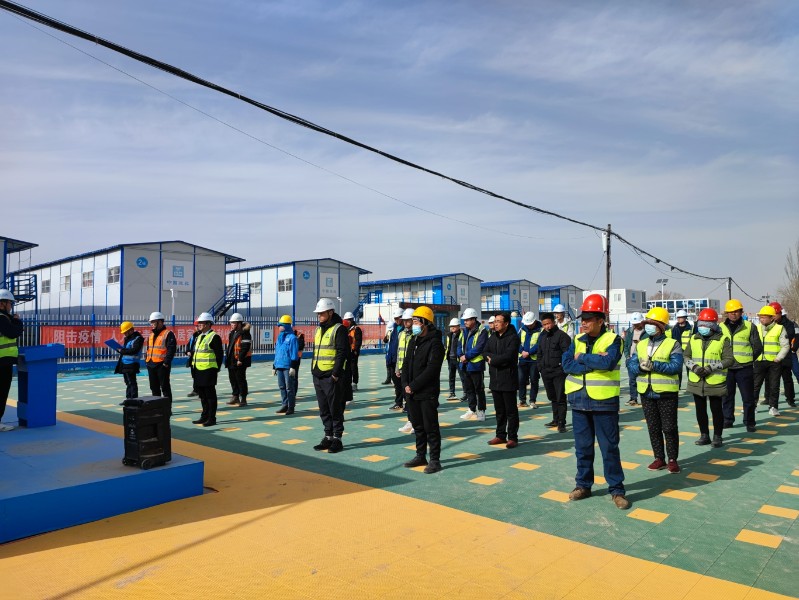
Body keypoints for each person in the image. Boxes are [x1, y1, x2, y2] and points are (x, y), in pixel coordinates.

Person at [562, 294, 630, 510]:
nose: (584, 322)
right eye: (583, 318)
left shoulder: (614, 340)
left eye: (589, 319)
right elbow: (567, 364)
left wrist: (582, 358)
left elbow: (608, 362)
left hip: (604, 403)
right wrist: (594, 361)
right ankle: (583, 485)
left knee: (609, 448)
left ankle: (617, 490)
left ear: (601, 320)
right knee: (582, 448)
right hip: (579, 401)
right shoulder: (576, 340)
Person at [626, 307, 684, 472]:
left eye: (653, 323)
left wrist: (654, 365)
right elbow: (631, 364)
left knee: (669, 428)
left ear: (662, 326)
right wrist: (640, 367)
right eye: (647, 323)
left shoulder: (672, 344)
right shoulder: (642, 344)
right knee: (653, 427)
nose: (649, 326)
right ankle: (659, 458)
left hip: (666, 392)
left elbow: (676, 366)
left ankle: (672, 459)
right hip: (646, 391)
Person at [401, 306, 445, 474]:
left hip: (427, 392)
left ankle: (435, 460)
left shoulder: (435, 343)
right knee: (418, 426)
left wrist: (413, 386)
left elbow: (432, 369)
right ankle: (420, 455)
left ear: (425, 323)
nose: (413, 325)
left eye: (416, 321)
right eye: (413, 321)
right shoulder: (414, 341)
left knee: (430, 427)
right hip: (411, 392)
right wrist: (405, 384)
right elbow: (406, 364)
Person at [684, 308, 735, 447]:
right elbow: (686, 355)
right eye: (700, 324)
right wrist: (694, 367)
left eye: (705, 324)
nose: (702, 327)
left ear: (713, 325)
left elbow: (729, 360)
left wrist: (711, 368)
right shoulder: (694, 338)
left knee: (716, 410)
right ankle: (704, 435)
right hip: (696, 380)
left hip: (714, 381)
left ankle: (717, 436)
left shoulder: (722, 339)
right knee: (700, 410)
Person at [311, 298, 350, 453]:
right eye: (318, 313)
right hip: (318, 375)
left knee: (335, 409)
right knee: (324, 409)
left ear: (330, 312)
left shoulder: (339, 329)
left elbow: (342, 352)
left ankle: (337, 438)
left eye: (322, 313)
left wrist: (335, 374)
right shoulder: (318, 329)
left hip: (331, 377)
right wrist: (313, 370)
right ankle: (328, 436)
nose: (319, 316)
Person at [719, 299, 762, 431]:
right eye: (731, 312)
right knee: (727, 396)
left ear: (741, 312)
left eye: (736, 311)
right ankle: (727, 420)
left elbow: (757, 347)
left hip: (744, 368)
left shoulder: (749, 326)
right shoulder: (720, 328)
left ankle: (749, 422)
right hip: (727, 368)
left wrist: (748, 359)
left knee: (748, 397)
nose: (734, 314)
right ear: (727, 313)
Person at [485, 312, 521, 448]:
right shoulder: (492, 337)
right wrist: (491, 358)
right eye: (495, 321)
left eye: (498, 321)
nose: (495, 324)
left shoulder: (513, 338)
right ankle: (500, 435)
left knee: (510, 411)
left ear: (506, 323)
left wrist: (493, 360)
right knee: (499, 410)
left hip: (508, 378)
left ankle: (513, 437)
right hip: (495, 379)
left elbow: (509, 356)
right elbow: (485, 352)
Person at [537, 312, 571, 433]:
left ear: (553, 322)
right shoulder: (542, 336)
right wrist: (540, 367)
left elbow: (567, 354)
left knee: (560, 397)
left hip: (558, 372)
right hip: (546, 372)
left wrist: (562, 368)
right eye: (544, 324)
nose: (547, 326)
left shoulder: (562, 336)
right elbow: (539, 353)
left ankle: (562, 422)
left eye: (549, 323)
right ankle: (555, 419)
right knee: (552, 397)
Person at [753, 304, 789, 417]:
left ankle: (773, 407)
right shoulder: (756, 328)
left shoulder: (780, 328)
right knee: (755, 385)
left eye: (764, 317)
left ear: (772, 318)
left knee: (774, 385)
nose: (761, 319)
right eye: (760, 317)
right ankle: (752, 406)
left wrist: (779, 358)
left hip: (774, 362)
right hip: (759, 361)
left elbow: (785, 345)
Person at [191, 312, 223, 426]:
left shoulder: (214, 337)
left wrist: (215, 368)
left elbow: (219, 355)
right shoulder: (199, 336)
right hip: (198, 370)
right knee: (202, 396)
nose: (199, 325)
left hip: (209, 370)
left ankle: (211, 418)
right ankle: (204, 416)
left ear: (208, 324)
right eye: (199, 323)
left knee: (210, 396)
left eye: (201, 323)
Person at [458, 307, 489, 421]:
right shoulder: (464, 331)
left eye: (467, 320)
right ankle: (471, 409)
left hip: (475, 365)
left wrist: (466, 356)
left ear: (473, 319)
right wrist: (461, 355)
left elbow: (479, 347)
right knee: (469, 388)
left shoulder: (482, 331)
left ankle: (481, 410)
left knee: (479, 389)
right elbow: (459, 345)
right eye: (464, 320)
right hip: (465, 365)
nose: (465, 322)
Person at [0, 289, 23, 431]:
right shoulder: (2, 318)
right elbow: (13, 332)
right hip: (2, 361)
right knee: (1, 392)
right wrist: (17, 321)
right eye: (10, 303)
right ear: (2, 304)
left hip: (3, 360)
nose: (11, 306)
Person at [145, 311, 176, 401]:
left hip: (162, 365)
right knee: (154, 388)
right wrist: (147, 361)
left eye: (153, 322)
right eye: (151, 322)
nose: (151, 324)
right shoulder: (151, 335)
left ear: (160, 322)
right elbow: (149, 349)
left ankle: (167, 407)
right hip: (151, 364)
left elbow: (171, 349)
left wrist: (166, 363)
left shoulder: (168, 334)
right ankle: (157, 407)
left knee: (165, 387)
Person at [770, 302, 796, 407]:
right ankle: (769, 399)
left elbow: (789, 335)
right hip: (772, 355)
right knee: (771, 380)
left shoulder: (788, 324)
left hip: (785, 355)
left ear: (780, 313)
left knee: (787, 378)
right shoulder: (768, 325)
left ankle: (790, 399)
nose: (773, 317)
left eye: (775, 314)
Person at [224, 313, 252, 406]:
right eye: (231, 323)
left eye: (234, 323)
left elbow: (245, 347)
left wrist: (240, 359)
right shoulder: (232, 333)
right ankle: (235, 396)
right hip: (231, 360)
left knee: (240, 380)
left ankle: (243, 398)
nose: (232, 325)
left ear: (239, 323)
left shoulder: (245, 333)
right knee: (232, 379)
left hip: (240, 361)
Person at [274, 315, 299, 415]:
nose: (279, 327)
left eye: (281, 325)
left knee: (289, 387)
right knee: (282, 386)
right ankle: (284, 405)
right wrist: (274, 365)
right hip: (279, 365)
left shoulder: (292, 338)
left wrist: (293, 366)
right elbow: (277, 352)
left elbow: (294, 353)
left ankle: (291, 407)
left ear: (286, 326)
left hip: (288, 366)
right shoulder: (279, 337)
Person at [391, 308, 415, 411]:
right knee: (403, 388)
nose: (405, 322)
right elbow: (398, 352)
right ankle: (407, 405)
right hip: (402, 367)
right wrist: (397, 368)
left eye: (407, 320)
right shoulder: (401, 334)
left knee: (411, 388)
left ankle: (410, 407)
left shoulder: (415, 334)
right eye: (404, 320)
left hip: (412, 367)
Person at [517, 311, 542, 408]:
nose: (528, 326)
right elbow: (517, 342)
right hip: (523, 359)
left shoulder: (540, 330)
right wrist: (522, 351)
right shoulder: (522, 329)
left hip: (534, 360)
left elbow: (539, 344)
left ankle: (532, 400)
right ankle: (522, 400)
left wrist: (529, 352)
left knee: (534, 380)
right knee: (521, 380)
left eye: (530, 324)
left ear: (534, 321)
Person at [114, 321, 144, 401]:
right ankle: (128, 399)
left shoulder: (138, 339)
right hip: (125, 363)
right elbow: (126, 350)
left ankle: (133, 400)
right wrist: (120, 350)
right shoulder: (128, 338)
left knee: (132, 382)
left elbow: (134, 350)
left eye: (125, 332)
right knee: (128, 382)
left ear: (131, 330)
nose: (124, 334)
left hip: (132, 364)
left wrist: (122, 351)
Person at [622, 312, 646, 406]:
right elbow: (626, 345)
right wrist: (627, 356)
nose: (635, 325)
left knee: (644, 380)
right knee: (632, 380)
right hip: (631, 359)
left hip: (643, 359)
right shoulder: (630, 331)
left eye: (637, 323)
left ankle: (646, 399)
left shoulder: (647, 332)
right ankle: (633, 398)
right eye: (634, 324)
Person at [671, 310, 693, 390]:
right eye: (678, 317)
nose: (679, 319)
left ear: (685, 318)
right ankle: (678, 386)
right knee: (678, 370)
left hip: (688, 352)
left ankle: (691, 386)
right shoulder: (674, 328)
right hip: (677, 352)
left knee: (690, 369)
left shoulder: (690, 328)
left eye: (680, 317)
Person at [444, 317, 465, 401]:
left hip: (458, 359)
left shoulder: (462, 335)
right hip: (450, 359)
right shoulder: (449, 335)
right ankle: (452, 393)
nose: (452, 328)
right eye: (451, 326)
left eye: (454, 326)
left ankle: (465, 394)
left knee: (462, 377)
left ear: (458, 326)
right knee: (451, 377)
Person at [383, 308, 404, 385]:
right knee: (395, 381)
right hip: (393, 358)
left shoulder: (405, 329)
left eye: (398, 318)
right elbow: (391, 344)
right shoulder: (394, 328)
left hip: (402, 359)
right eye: (395, 319)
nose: (396, 320)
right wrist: (389, 357)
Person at [343, 312, 363, 391]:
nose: (346, 321)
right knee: (347, 368)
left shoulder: (356, 329)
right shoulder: (345, 328)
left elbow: (358, 341)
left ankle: (354, 383)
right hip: (347, 351)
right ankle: (348, 383)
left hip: (353, 351)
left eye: (347, 320)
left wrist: (356, 350)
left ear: (351, 320)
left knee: (353, 367)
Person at [185, 320, 202, 397]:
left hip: (200, 359)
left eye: (198, 325)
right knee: (194, 375)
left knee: (200, 376)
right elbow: (189, 345)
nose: (197, 327)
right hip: (193, 359)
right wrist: (188, 351)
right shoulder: (194, 335)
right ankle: (196, 390)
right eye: (196, 326)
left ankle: (201, 391)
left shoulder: (203, 335)